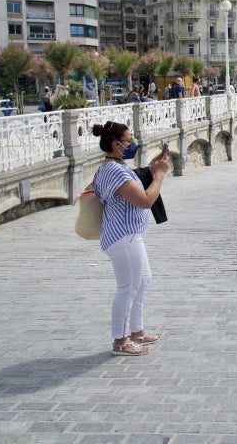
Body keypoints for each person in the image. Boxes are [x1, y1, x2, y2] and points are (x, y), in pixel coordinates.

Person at [91, 121, 170, 356]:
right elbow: (145, 200)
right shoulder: (114, 170)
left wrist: (152, 167)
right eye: (128, 141)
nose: (132, 144)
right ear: (116, 145)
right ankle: (120, 341)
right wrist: (159, 176)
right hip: (123, 236)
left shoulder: (114, 166)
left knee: (143, 280)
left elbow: (135, 183)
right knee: (127, 287)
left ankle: (136, 331)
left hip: (130, 235)